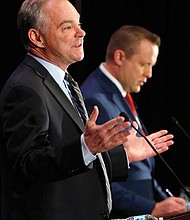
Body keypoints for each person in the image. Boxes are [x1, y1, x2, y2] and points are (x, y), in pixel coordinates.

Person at [0, 1, 174, 219]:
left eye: (79, 24)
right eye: (67, 27)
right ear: (37, 37)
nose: (81, 32)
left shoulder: (65, 82)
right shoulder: (25, 87)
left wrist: (125, 155)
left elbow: (77, 163)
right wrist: (86, 146)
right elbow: (28, 165)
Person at [80, 25, 187, 219]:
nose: (149, 73)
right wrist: (150, 207)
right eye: (144, 64)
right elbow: (99, 173)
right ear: (120, 57)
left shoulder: (119, 94)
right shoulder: (95, 98)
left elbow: (142, 167)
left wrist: (163, 201)